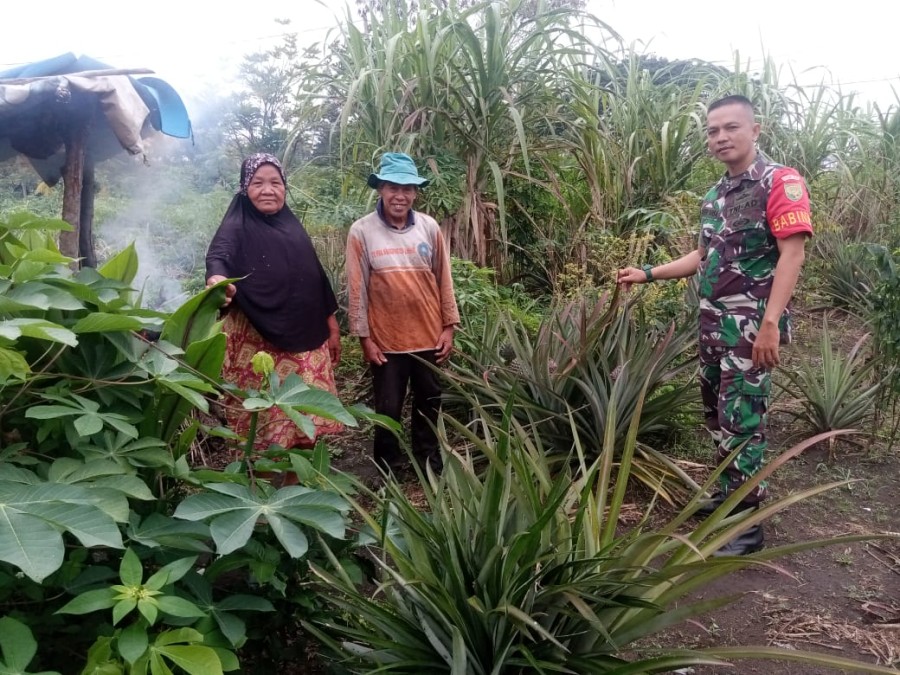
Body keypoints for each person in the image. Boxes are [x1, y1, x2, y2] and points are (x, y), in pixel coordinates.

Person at [617, 95, 813, 555]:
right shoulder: (715, 196)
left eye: (730, 127)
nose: (721, 137)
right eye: (712, 130)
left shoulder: (779, 182)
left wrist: (769, 324)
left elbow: (793, 253)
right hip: (712, 326)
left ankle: (747, 523)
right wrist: (646, 274)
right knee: (717, 415)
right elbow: (702, 256)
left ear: (755, 129)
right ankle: (729, 493)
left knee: (742, 418)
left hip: (750, 329)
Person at [205, 153, 343, 459]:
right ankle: (263, 484)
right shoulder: (236, 225)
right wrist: (217, 279)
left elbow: (316, 276)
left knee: (307, 414)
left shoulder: (292, 226)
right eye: (258, 183)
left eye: (275, 182)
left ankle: (296, 485)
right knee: (264, 426)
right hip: (258, 344)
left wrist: (331, 324)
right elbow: (219, 256)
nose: (268, 189)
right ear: (244, 188)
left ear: (284, 187)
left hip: (307, 341)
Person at [345, 152, 460, 474]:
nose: (400, 195)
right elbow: (358, 288)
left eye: (407, 188)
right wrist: (364, 338)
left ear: (415, 192)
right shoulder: (361, 231)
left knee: (429, 402)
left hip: (428, 336)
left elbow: (443, 277)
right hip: (386, 340)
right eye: (393, 187)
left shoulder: (428, 227)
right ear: (380, 188)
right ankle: (387, 467)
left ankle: (428, 463)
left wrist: (449, 326)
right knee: (388, 408)